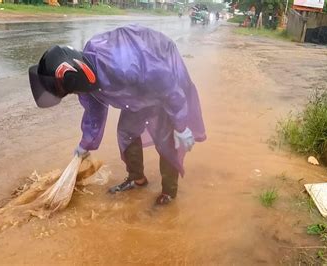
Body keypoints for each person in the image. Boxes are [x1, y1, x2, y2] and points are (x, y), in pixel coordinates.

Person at [28, 25, 206, 205]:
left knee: (166, 140)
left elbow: (168, 86)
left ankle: (168, 192)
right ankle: (137, 179)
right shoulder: (85, 84)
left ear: (72, 75)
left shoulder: (120, 65)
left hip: (160, 84)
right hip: (137, 92)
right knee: (126, 132)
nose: (70, 93)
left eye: (65, 90)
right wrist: (85, 144)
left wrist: (181, 126)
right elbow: (94, 112)